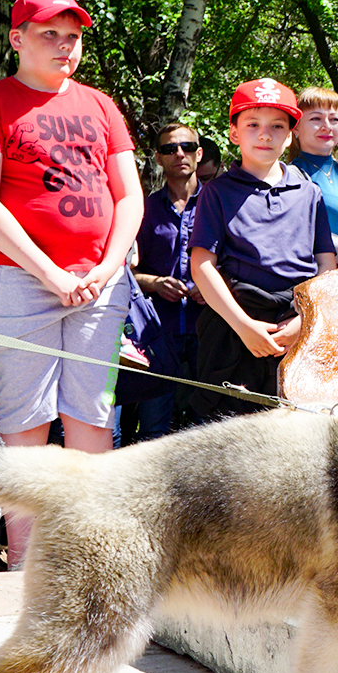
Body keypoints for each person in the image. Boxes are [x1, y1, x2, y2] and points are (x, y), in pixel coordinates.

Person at [0, 0, 144, 570]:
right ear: (17, 39)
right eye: (50, 35)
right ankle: (24, 561)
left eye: (73, 36)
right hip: (20, 280)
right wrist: (50, 273)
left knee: (91, 415)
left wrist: (105, 268)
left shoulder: (101, 106)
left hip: (98, 282)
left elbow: (130, 197)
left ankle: (91, 557)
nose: (65, 46)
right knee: (26, 419)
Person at [189, 80, 335, 421]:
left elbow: (327, 265)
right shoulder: (216, 192)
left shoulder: (309, 192)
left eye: (277, 127)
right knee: (229, 433)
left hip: (298, 322)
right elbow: (202, 266)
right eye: (252, 125)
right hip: (234, 327)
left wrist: (306, 322)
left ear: (290, 135)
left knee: (298, 427)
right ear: (234, 133)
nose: (264, 135)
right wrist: (243, 326)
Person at [126, 123, 203, 442]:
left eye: (186, 147)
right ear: (158, 158)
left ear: (199, 153)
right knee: (154, 428)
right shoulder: (143, 209)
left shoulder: (219, 203)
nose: (179, 154)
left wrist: (215, 285)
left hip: (208, 330)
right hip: (159, 332)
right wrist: (155, 283)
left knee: (210, 424)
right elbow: (127, 273)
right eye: (170, 149)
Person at [288, 87, 338, 263]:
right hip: (330, 276)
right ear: (295, 128)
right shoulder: (290, 178)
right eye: (316, 118)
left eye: (334, 119)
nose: (327, 126)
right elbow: (307, 236)